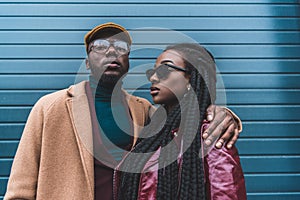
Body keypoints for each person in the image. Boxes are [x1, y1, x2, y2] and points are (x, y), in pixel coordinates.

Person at [4, 23, 242, 200]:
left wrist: (222, 113)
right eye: (99, 46)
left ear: (128, 60)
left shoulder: (144, 110)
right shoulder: (50, 107)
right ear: (87, 62)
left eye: (120, 46)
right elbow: (20, 189)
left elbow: (186, 116)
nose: (110, 52)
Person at [116, 43, 246, 200]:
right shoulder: (153, 129)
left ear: (191, 79)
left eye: (164, 70)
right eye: (152, 71)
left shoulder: (210, 135)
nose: (153, 77)